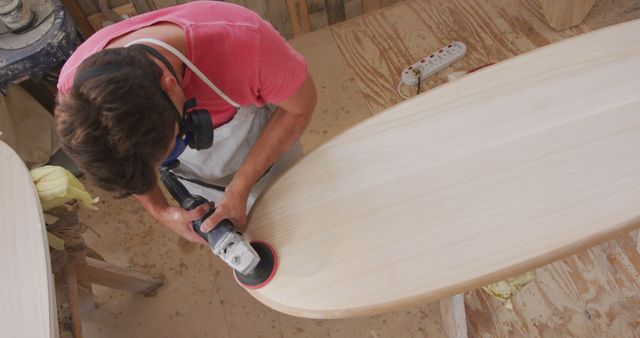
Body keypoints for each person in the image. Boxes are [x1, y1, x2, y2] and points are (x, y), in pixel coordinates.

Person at [54, 1, 317, 245]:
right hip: (195, 173)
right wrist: (162, 211)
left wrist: (240, 187)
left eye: (175, 146)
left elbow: (299, 108)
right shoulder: (75, 96)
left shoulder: (246, 44)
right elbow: (129, 166)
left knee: (302, 211)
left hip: (259, 141)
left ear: (170, 87)